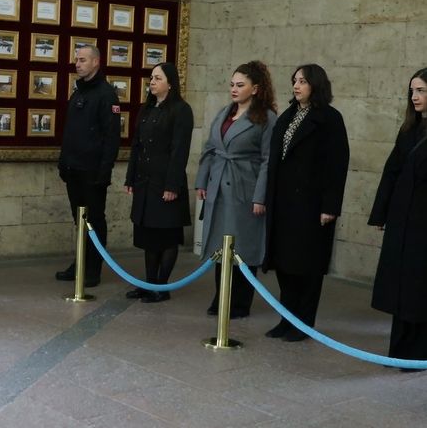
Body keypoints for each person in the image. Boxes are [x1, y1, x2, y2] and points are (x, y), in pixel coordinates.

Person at [263, 64, 349, 342]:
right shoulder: (288, 115)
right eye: (294, 81)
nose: (296, 86)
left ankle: (303, 323)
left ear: (316, 84)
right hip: (285, 203)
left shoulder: (329, 119)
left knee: (308, 267)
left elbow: (337, 165)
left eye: (303, 81)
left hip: (312, 206)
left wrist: (330, 206)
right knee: (286, 264)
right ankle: (286, 319)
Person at [195, 61, 277, 318]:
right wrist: (202, 181)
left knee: (243, 247)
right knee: (221, 246)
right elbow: (210, 148)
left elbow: (268, 161)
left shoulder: (266, 118)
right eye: (232, 84)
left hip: (245, 188)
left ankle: (240, 303)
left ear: (255, 89)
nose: (234, 89)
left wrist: (260, 196)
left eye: (240, 85)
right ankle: (221, 296)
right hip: (219, 185)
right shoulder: (224, 113)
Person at [368, 68, 427, 369]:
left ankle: (417, 353)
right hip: (403, 219)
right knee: (401, 287)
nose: (415, 97)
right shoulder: (409, 130)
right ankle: (399, 349)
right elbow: (390, 172)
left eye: (421, 91)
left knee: (419, 287)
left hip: (422, 224)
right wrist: (381, 212)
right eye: (412, 92)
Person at [124, 62, 193, 302]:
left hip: (165, 183)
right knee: (148, 236)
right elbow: (136, 146)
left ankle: (161, 287)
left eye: (157, 78)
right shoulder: (148, 108)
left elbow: (179, 151)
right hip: (144, 182)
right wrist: (130, 177)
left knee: (166, 236)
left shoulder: (181, 110)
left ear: (170, 83)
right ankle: (148, 282)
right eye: (151, 78)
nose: (152, 82)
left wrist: (172, 186)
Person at [55, 45, 121, 287]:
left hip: (93, 172)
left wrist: (104, 172)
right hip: (73, 169)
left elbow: (111, 137)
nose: (77, 63)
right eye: (76, 60)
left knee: (94, 219)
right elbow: (71, 132)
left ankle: (93, 268)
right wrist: (64, 162)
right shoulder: (79, 92)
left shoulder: (106, 95)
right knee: (79, 219)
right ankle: (80, 262)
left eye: (83, 60)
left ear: (96, 62)